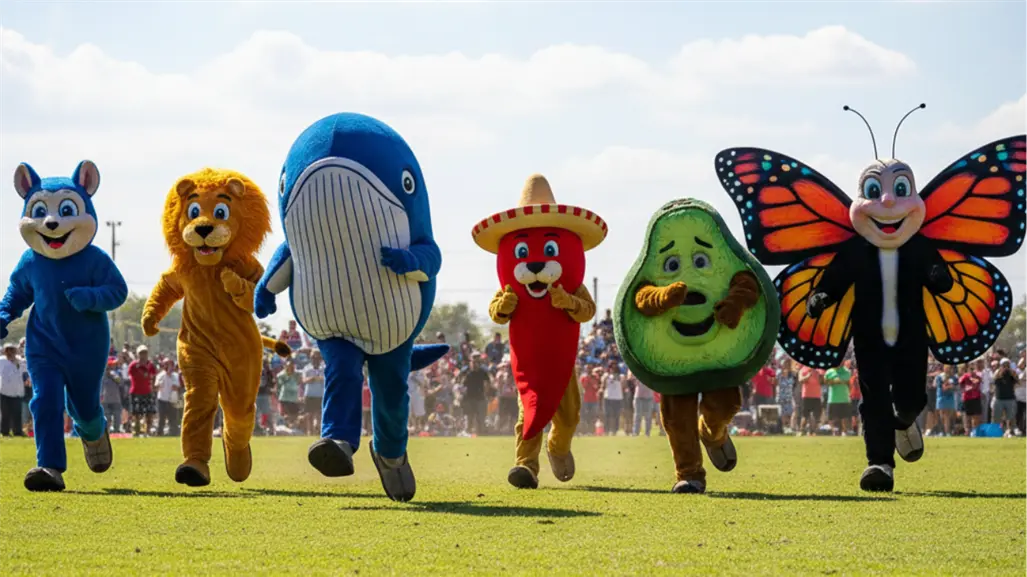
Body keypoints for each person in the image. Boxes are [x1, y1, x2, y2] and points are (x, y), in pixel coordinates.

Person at [128, 346, 158, 437]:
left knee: (149, 413)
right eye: (141, 353)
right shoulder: (133, 365)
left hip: (147, 392)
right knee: (136, 413)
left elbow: (154, 375)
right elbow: (130, 375)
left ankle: (147, 431)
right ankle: (136, 431)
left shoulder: (150, 365)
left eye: (145, 353)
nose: (143, 355)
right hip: (136, 392)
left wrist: (153, 386)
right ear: (138, 354)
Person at [460, 356, 491, 435]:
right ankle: (468, 433)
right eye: (472, 362)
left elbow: (487, 383)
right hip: (468, 397)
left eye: (476, 363)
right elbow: (461, 384)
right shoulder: (466, 372)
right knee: (469, 417)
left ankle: (480, 433)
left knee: (480, 418)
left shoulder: (482, 372)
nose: (474, 364)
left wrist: (486, 393)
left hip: (480, 397)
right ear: (470, 363)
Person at [0, 343, 25, 436]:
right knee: (5, 413)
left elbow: (25, 370)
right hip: (4, 392)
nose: (10, 352)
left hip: (17, 392)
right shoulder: (1, 361)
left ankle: (18, 431)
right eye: (8, 350)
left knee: (17, 413)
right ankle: (4, 431)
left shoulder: (20, 361)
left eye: (12, 350)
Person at [301, 350, 326, 436]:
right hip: (309, 394)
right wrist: (313, 378)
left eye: (317, 358)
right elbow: (304, 380)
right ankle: (309, 431)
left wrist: (318, 378)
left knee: (319, 413)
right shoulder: (307, 368)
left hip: (320, 394)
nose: (315, 359)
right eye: (313, 357)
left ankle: (318, 430)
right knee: (309, 414)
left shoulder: (324, 368)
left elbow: (326, 379)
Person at [155, 359, 182, 436]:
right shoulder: (160, 376)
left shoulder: (176, 376)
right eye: (167, 365)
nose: (170, 368)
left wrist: (175, 388)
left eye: (171, 365)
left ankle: (173, 434)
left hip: (172, 400)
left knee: (173, 419)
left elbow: (178, 387)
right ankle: (159, 434)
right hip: (162, 400)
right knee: (161, 419)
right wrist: (159, 386)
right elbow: (156, 387)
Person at [991, 358, 1018, 435]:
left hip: (1010, 398)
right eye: (1004, 365)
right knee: (996, 418)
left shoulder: (1012, 373)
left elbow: (1017, 382)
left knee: (1011, 417)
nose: (1006, 366)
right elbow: (994, 380)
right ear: (1001, 365)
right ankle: (995, 432)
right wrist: (1000, 371)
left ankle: (1010, 432)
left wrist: (1013, 373)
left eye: (1007, 365)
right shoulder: (997, 372)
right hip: (999, 399)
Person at [824, 362, 852, 435]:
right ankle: (834, 432)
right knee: (831, 418)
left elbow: (843, 380)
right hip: (832, 398)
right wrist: (835, 381)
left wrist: (832, 381)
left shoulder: (846, 371)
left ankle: (844, 432)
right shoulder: (829, 371)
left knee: (844, 417)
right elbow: (826, 381)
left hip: (844, 398)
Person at [276, 359, 301, 430]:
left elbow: (299, 381)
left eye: (292, 366)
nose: (290, 367)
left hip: (294, 397)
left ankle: (292, 427)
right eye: (289, 366)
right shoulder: (281, 375)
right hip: (285, 397)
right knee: (286, 414)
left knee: (295, 414)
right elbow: (279, 384)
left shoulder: (297, 374)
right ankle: (287, 427)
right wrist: (288, 374)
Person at [797, 365, 823, 436]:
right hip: (806, 395)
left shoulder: (819, 370)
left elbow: (822, 382)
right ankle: (801, 430)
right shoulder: (803, 369)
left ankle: (813, 431)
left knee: (816, 415)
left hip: (817, 396)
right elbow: (800, 380)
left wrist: (820, 377)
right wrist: (808, 375)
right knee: (805, 415)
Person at [601, 362, 625, 436]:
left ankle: (615, 430)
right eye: (611, 367)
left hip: (617, 398)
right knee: (607, 414)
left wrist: (619, 378)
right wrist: (605, 378)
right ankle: (606, 430)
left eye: (615, 368)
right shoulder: (606, 375)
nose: (613, 369)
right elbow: (603, 386)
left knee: (616, 415)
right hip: (608, 397)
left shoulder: (621, 376)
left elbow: (624, 386)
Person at [255, 358, 277, 436]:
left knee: (267, 412)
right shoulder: (254, 369)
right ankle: (256, 429)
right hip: (256, 395)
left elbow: (272, 382)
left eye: (265, 363)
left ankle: (270, 429)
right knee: (255, 413)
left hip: (265, 394)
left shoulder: (268, 372)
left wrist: (270, 388)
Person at [958, 363, 982, 434]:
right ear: (968, 369)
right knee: (967, 415)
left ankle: (975, 431)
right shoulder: (965, 376)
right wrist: (966, 377)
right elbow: (960, 382)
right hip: (967, 398)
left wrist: (971, 381)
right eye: (970, 369)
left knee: (976, 415)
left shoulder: (978, 376)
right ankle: (967, 431)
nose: (972, 370)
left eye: (973, 368)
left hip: (976, 398)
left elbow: (977, 382)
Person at [934, 365, 957, 436]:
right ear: (944, 368)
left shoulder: (954, 377)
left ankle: (947, 431)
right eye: (947, 367)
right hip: (941, 397)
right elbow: (941, 387)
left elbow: (955, 386)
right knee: (941, 415)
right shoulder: (940, 377)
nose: (949, 369)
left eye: (950, 368)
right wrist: (949, 386)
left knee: (948, 415)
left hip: (950, 397)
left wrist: (949, 386)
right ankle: (943, 431)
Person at [100, 359, 122, 434]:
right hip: (105, 400)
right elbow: (100, 386)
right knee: (107, 417)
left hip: (116, 399)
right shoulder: (102, 375)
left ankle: (117, 431)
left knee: (117, 417)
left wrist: (112, 375)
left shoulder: (117, 373)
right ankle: (107, 431)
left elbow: (120, 382)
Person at [776, 358, 797, 432]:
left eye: (788, 363)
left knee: (791, 413)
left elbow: (794, 385)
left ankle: (789, 427)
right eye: (785, 363)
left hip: (790, 397)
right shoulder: (779, 374)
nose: (786, 365)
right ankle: (785, 428)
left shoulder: (793, 375)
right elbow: (775, 383)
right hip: (781, 397)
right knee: (783, 414)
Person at [495, 364, 518, 434]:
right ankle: (498, 430)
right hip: (504, 398)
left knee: (513, 416)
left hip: (513, 398)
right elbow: (499, 386)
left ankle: (512, 430)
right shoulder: (502, 375)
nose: (509, 369)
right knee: (502, 415)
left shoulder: (516, 375)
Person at [579, 366, 601, 435]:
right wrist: (587, 379)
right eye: (588, 369)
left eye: (590, 369)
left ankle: (591, 431)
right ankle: (585, 431)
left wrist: (593, 383)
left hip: (594, 399)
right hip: (586, 399)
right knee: (585, 416)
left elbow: (597, 387)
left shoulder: (595, 377)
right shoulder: (583, 378)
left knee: (593, 416)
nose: (589, 370)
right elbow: (583, 387)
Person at [976, 358, 993, 423]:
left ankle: (984, 427)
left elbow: (992, 380)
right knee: (977, 413)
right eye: (978, 362)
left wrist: (987, 370)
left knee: (985, 412)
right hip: (976, 395)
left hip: (986, 394)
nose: (979, 364)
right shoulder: (975, 372)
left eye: (981, 362)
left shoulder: (988, 371)